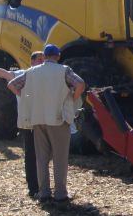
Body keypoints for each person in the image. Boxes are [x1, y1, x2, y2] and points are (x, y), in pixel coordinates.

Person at [8, 44, 85, 205]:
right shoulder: (64, 70)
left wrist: (27, 97)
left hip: (38, 119)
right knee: (60, 157)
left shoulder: (31, 72)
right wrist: (72, 97)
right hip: (58, 119)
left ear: (44, 56)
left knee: (41, 158)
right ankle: (60, 194)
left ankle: (43, 192)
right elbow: (80, 84)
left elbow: (12, 85)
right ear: (57, 56)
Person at [0, 51, 45, 197]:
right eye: (39, 59)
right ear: (32, 62)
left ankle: (45, 187)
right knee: (32, 156)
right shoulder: (23, 74)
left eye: (43, 60)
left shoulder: (46, 76)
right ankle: (33, 188)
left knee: (44, 156)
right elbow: (5, 74)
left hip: (45, 122)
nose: (42, 62)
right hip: (28, 123)